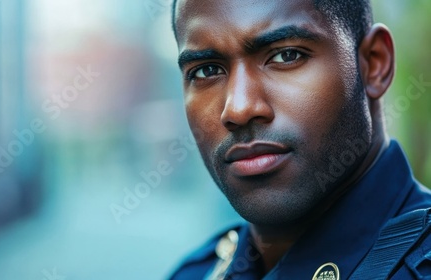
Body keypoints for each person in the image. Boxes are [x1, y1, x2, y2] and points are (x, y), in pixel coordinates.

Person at [169, 0, 431, 279]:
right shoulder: (196, 273)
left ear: (374, 62)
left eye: (286, 55)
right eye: (206, 71)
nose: (239, 109)